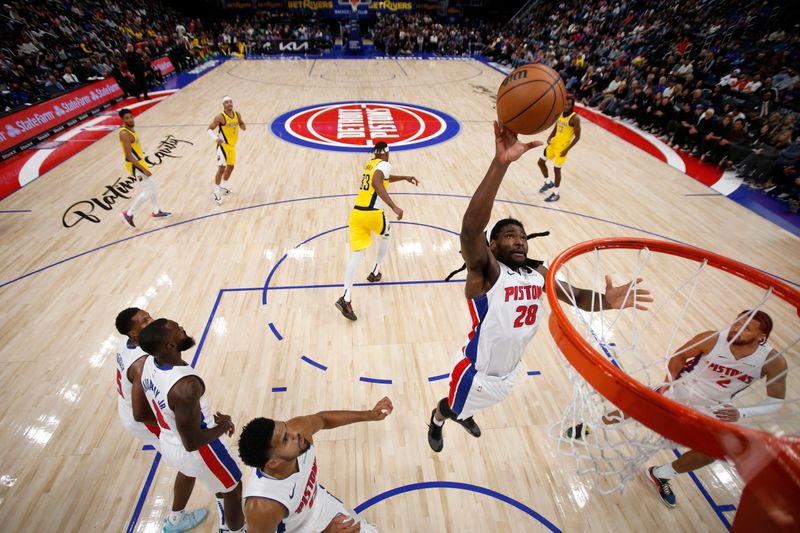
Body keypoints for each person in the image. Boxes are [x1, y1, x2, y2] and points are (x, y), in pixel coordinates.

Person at [426, 122, 652, 453]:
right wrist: (500, 164)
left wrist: (606, 299)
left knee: (475, 406)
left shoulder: (537, 272)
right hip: (476, 371)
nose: (518, 240)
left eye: (521, 236)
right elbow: (470, 229)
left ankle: (467, 412)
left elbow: (574, 296)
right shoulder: (485, 272)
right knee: (455, 407)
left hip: (511, 371)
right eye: (508, 236)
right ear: (492, 245)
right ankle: (438, 419)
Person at [566, 310, 786, 509]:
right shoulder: (712, 338)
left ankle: (661, 474)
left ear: (761, 337)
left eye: (745, 327)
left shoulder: (773, 361)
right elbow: (679, 356)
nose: (736, 329)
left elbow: (776, 400)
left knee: (712, 451)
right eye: (736, 323)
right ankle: (588, 426)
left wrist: (741, 413)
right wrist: (670, 380)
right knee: (630, 408)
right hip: (678, 391)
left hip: (712, 409)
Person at [138, 319, 246, 533]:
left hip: (170, 440)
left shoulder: (151, 363)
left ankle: (220, 515)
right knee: (233, 488)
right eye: (177, 330)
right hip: (201, 450)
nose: (182, 329)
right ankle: (235, 530)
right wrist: (223, 425)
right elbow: (193, 442)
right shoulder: (186, 386)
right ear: (170, 346)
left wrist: (206, 418)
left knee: (219, 483)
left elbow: (166, 408)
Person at [237, 397, 394, 532]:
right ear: (273, 462)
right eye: (285, 439)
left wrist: (369, 414)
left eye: (286, 426)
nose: (295, 434)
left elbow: (323, 419)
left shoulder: (297, 432)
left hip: (323, 506)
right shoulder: (262, 507)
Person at [114, 308, 207, 533]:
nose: (151, 321)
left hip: (130, 412)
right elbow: (141, 413)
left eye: (149, 316)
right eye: (144, 321)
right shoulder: (141, 362)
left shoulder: (127, 346)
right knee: (190, 461)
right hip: (143, 421)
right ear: (133, 334)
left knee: (188, 453)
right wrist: (175, 426)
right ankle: (176, 519)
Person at [335, 141, 419, 321]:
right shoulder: (385, 164)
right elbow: (377, 182)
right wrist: (394, 207)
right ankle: (375, 271)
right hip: (372, 213)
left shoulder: (371, 163)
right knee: (387, 234)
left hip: (356, 213)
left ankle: (346, 297)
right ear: (387, 154)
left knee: (356, 255)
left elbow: (382, 178)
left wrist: (404, 177)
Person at [119, 109, 171, 228]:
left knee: (152, 187)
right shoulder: (124, 133)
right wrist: (143, 169)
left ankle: (156, 211)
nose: (130, 120)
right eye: (127, 118)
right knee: (148, 191)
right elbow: (128, 155)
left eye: (131, 117)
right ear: (122, 119)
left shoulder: (130, 129)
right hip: (135, 165)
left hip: (139, 162)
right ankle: (129, 214)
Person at [537, 95, 581, 202]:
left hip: (562, 148)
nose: (566, 106)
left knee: (556, 170)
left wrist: (566, 150)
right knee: (540, 162)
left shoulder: (575, 118)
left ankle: (556, 193)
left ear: (572, 106)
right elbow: (557, 127)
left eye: (569, 104)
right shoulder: (560, 112)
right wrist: (550, 136)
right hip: (554, 144)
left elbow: (577, 137)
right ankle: (548, 182)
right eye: (565, 104)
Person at [208, 96, 246, 205]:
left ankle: (223, 186)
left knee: (231, 167)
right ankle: (216, 192)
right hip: (223, 146)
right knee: (221, 168)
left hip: (232, 146)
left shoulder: (237, 114)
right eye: (226, 102)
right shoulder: (220, 117)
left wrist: (243, 126)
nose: (229, 103)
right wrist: (216, 138)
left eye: (230, 101)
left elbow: (241, 122)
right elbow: (209, 129)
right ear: (223, 105)